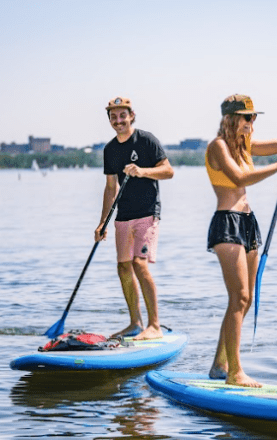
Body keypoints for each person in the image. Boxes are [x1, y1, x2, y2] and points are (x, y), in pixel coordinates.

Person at [206, 79, 277, 387]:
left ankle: (220, 364)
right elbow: (239, 176)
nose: (252, 123)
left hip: (249, 223)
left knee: (246, 299)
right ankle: (235, 374)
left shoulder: (245, 145)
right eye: (248, 118)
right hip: (226, 223)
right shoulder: (218, 146)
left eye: (254, 118)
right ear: (231, 119)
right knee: (238, 296)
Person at [95, 96, 174, 340]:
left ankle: (155, 326)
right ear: (110, 120)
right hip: (123, 215)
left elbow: (168, 171)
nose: (118, 121)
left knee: (139, 264)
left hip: (148, 213)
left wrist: (142, 171)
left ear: (131, 116)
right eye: (113, 117)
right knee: (123, 267)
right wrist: (103, 222)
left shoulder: (147, 140)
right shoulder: (110, 149)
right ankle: (135, 323)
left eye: (122, 115)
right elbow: (110, 188)